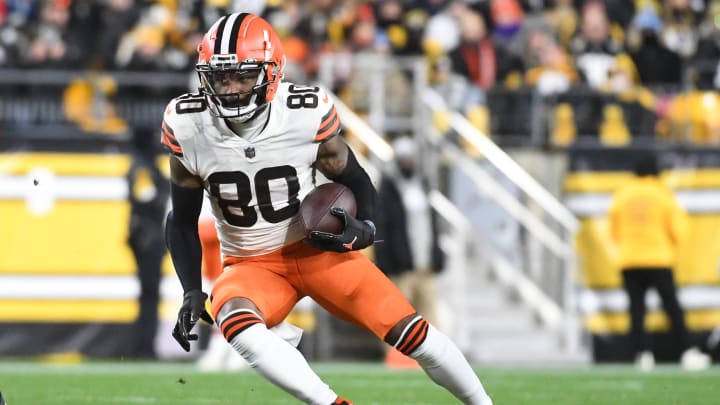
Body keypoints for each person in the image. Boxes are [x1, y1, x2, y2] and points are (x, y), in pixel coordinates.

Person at [161, 12, 493, 405]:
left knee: (414, 334)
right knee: (234, 322)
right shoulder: (188, 124)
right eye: (221, 77)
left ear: (271, 73)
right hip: (251, 264)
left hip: (318, 252)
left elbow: (356, 179)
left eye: (243, 76)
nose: (231, 89)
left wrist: (366, 226)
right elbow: (180, 220)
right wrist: (190, 291)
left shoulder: (303, 113)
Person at [608, 152, 711, 371]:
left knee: (637, 310)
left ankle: (642, 355)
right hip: (658, 258)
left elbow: (613, 229)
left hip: (630, 259)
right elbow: (678, 229)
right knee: (672, 308)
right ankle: (688, 352)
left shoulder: (624, 194)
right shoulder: (661, 193)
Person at [375, 136, 445, 329]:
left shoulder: (422, 184)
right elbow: (383, 227)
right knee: (398, 317)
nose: (408, 161)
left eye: (410, 157)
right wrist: (386, 261)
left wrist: (436, 255)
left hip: (425, 265)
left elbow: (431, 223)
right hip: (401, 267)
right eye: (404, 157)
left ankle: (431, 357)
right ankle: (396, 357)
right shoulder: (388, 189)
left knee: (430, 316)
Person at [126, 130, 170, 359]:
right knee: (150, 295)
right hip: (148, 240)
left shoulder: (139, 165)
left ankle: (143, 344)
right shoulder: (144, 168)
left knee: (148, 295)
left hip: (143, 238)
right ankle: (144, 347)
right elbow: (147, 198)